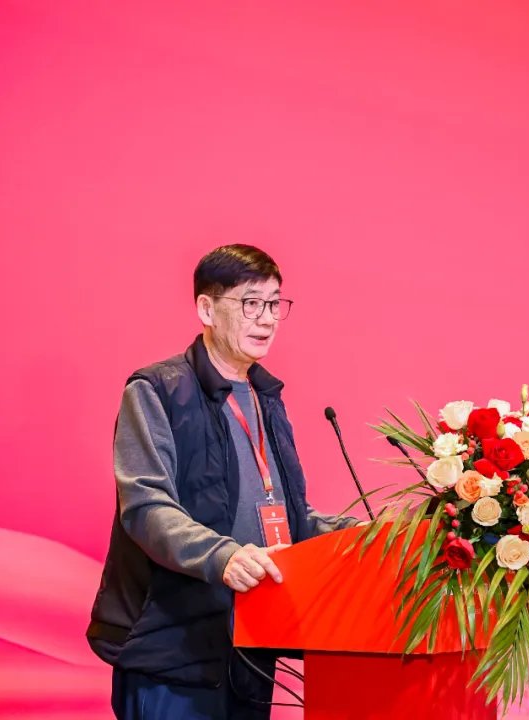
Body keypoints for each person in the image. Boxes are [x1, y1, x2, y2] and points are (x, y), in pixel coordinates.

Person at [87, 244, 359, 719]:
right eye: (251, 303)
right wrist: (222, 556)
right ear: (206, 309)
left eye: (274, 303)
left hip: (253, 645)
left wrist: (363, 536)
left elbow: (288, 516)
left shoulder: (267, 398)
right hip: (173, 649)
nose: (267, 319)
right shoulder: (156, 390)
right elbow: (146, 507)